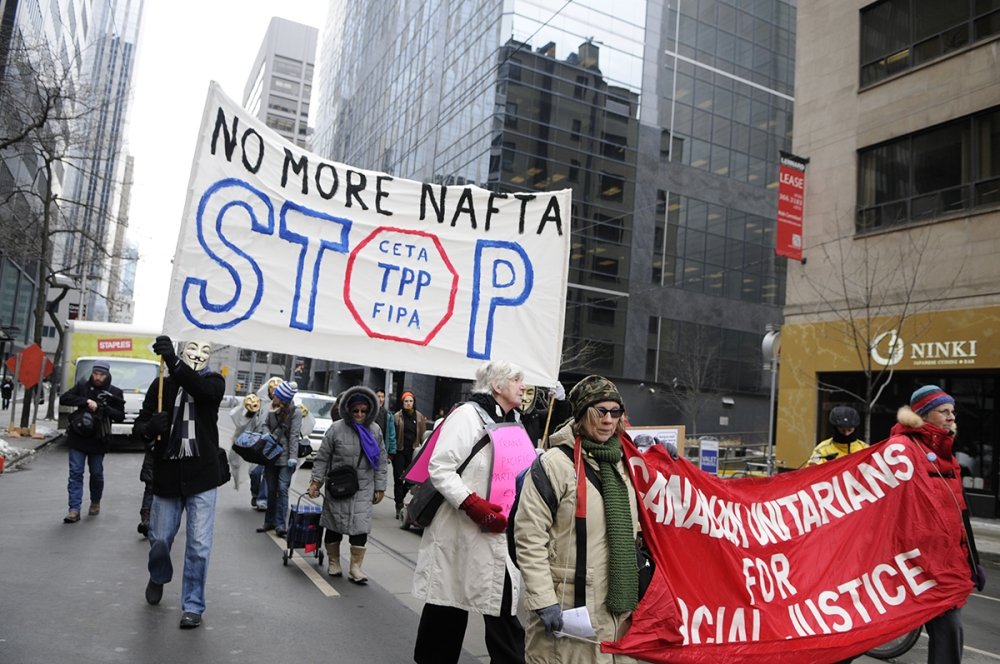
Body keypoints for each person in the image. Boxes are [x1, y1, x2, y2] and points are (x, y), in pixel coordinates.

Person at [512, 374, 640, 663]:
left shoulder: (628, 463)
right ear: (582, 415)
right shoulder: (554, 464)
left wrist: (665, 463)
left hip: (620, 613)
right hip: (570, 609)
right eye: (600, 411)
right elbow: (529, 538)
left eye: (615, 411)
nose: (609, 419)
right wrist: (544, 600)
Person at [412, 360, 528, 664]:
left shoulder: (514, 421)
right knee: (447, 609)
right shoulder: (466, 416)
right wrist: (472, 504)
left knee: (503, 612)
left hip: (499, 532)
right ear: (498, 386)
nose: (523, 386)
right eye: (517, 380)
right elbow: (440, 467)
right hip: (460, 530)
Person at [884, 385, 986, 663]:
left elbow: (959, 515)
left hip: (945, 563)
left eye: (952, 411)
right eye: (944, 411)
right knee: (871, 626)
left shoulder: (948, 457)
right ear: (924, 416)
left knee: (950, 631)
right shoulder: (901, 450)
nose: (952, 417)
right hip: (912, 564)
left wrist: (972, 560)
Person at [133, 336, 226, 630]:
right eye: (193, 348)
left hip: (202, 475)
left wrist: (173, 361)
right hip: (168, 474)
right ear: (184, 349)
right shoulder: (161, 385)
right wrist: (150, 428)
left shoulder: (213, 382)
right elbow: (140, 426)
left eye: (205, 349)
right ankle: (158, 575)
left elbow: (200, 391)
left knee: (199, 545)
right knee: (159, 538)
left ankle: (193, 606)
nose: (198, 354)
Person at [307, 386, 388, 583]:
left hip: (363, 487)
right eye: (355, 411)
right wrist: (316, 482)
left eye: (364, 411)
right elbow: (322, 458)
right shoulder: (336, 429)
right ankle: (334, 561)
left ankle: (355, 567)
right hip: (338, 486)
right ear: (348, 410)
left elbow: (381, 461)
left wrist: (380, 486)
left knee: (360, 528)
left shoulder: (375, 430)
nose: (360, 414)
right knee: (334, 525)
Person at [59, 359, 125, 523]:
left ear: (107, 375)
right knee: (75, 473)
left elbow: (120, 416)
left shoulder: (114, 392)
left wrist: (104, 408)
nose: (97, 377)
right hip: (78, 437)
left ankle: (95, 501)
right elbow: (65, 398)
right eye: (95, 373)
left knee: (96, 474)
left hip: (99, 439)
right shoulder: (82, 386)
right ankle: (74, 509)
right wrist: (85, 401)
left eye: (101, 374)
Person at [257, 380, 302, 537]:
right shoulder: (270, 408)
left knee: (282, 490)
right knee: (271, 489)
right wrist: (266, 433)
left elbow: (294, 435)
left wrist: (293, 457)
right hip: (270, 455)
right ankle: (269, 521)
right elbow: (263, 424)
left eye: (276, 394)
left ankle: (281, 525)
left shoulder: (295, 412)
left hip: (286, 457)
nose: (273, 395)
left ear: (282, 398)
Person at [393, 390, 428, 518]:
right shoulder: (397, 417)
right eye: (406, 401)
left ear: (414, 402)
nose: (408, 403)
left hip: (413, 451)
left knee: (410, 479)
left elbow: (423, 436)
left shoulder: (419, 417)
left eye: (410, 401)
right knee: (398, 478)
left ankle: (401, 496)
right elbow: (393, 435)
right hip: (399, 451)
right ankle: (399, 505)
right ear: (402, 403)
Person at [519, 382, 570, 447]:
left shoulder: (534, 416)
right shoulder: (506, 415)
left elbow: (557, 418)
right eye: (521, 393)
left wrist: (561, 400)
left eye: (529, 393)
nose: (524, 398)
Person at [374, 388, 397, 461]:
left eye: (382, 397)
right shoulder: (368, 412)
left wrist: (391, 452)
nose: (380, 399)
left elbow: (392, 434)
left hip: (382, 449)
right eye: (378, 396)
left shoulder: (388, 415)